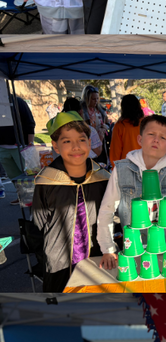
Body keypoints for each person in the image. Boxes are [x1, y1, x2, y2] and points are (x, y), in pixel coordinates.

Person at [97, 113, 166, 268]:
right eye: (151, 134)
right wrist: (107, 248)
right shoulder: (121, 170)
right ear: (140, 139)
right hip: (134, 252)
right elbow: (107, 209)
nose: (156, 139)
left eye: (163, 138)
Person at [32, 111, 110, 292]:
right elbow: (39, 221)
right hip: (60, 258)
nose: (76, 146)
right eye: (67, 141)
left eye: (82, 140)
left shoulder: (103, 179)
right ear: (56, 146)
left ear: (90, 143)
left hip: (97, 253)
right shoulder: (46, 181)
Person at [0, 92, 35, 181]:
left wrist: (30, 145)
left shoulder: (17, 101)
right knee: (15, 179)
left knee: (30, 177)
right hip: (3, 149)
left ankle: (34, 195)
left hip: (20, 147)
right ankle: (21, 194)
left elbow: (29, 123)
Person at [109, 93, 143, 163]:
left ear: (123, 108)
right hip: (146, 164)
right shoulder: (146, 123)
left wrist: (115, 168)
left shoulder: (120, 125)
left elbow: (115, 151)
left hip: (126, 166)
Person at [80, 84, 110, 164]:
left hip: (101, 143)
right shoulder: (81, 111)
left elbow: (108, 123)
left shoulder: (101, 110)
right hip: (88, 145)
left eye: (97, 98)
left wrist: (105, 127)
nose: (96, 101)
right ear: (86, 98)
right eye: (93, 99)